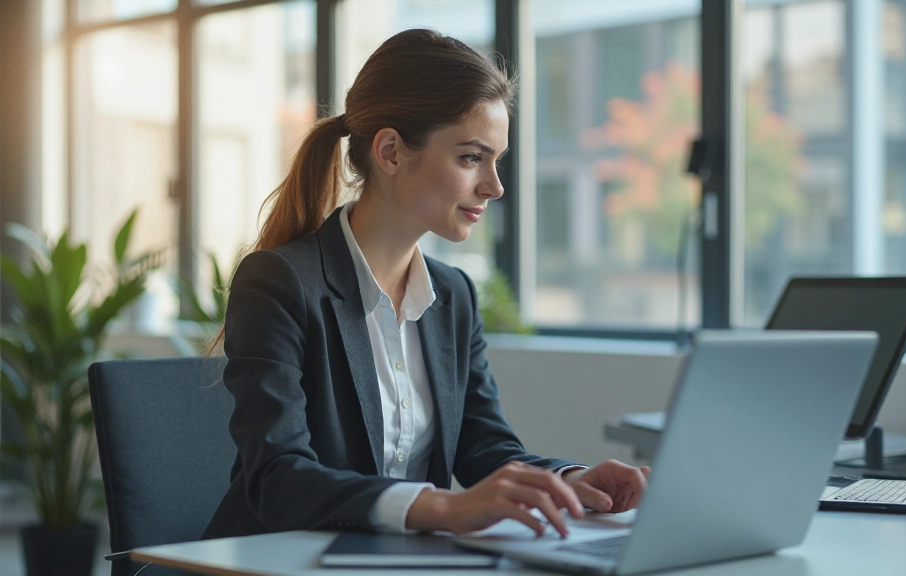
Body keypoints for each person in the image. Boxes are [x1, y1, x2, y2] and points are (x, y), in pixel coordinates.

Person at [202, 28, 650, 541]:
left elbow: (485, 450)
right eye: (470, 157)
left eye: (496, 160)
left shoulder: (453, 295)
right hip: (277, 560)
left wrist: (569, 481)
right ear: (390, 152)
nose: (494, 186)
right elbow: (278, 481)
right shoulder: (280, 283)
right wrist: (440, 508)